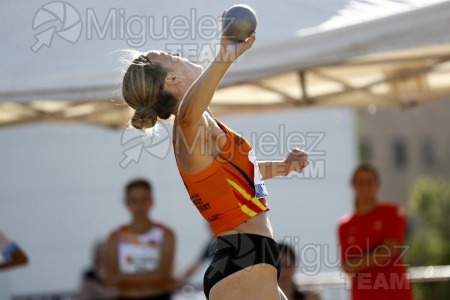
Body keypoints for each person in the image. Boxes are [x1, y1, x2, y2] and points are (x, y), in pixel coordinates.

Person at [121, 14, 309, 300]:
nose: (179, 53)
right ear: (172, 79)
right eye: (171, 55)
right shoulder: (186, 127)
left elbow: (240, 176)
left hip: (249, 259)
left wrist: (283, 167)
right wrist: (225, 55)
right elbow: (188, 114)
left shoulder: (203, 125)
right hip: (243, 259)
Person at [338, 164, 413, 300]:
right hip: (363, 294)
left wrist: (358, 263)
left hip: (394, 293)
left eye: (369, 182)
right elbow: (347, 267)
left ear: (377, 185)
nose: (365, 187)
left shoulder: (393, 212)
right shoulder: (345, 225)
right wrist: (378, 254)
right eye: (360, 182)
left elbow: (390, 250)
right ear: (353, 186)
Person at [103, 179, 176, 300]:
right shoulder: (115, 237)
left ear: (151, 201)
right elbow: (110, 279)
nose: (139, 206)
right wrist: (153, 278)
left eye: (143, 199)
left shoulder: (166, 234)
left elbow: (164, 274)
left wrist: (123, 278)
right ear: (127, 202)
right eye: (133, 200)